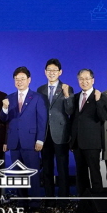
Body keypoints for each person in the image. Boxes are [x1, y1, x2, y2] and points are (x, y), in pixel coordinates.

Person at [2, 66, 47, 198]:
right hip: (14, 142)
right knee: (18, 174)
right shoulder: (9, 98)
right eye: (17, 79)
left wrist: (40, 140)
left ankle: (34, 203)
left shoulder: (37, 97)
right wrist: (4, 108)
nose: (19, 81)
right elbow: (4, 120)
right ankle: (21, 202)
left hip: (31, 142)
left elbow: (42, 120)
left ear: (29, 80)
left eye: (22, 79)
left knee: (33, 174)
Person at [37, 58, 72, 198]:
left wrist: (67, 96)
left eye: (55, 70)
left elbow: (70, 111)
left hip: (61, 134)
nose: (52, 73)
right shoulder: (40, 90)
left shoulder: (67, 88)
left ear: (60, 72)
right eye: (49, 70)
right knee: (47, 168)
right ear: (45, 72)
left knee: (62, 168)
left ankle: (64, 199)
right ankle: (49, 199)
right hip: (45, 135)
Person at [70, 68, 107, 195]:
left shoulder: (100, 96)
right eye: (81, 79)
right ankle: (83, 202)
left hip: (92, 143)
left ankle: (97, 202)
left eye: (87, 79)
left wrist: (97, 101)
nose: (84, 81)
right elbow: (74, 119)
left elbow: (103, 117)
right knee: (80, 174)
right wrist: (72, 140)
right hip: (77, 143)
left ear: (93, 80)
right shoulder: (75, 98)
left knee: (95, 173)